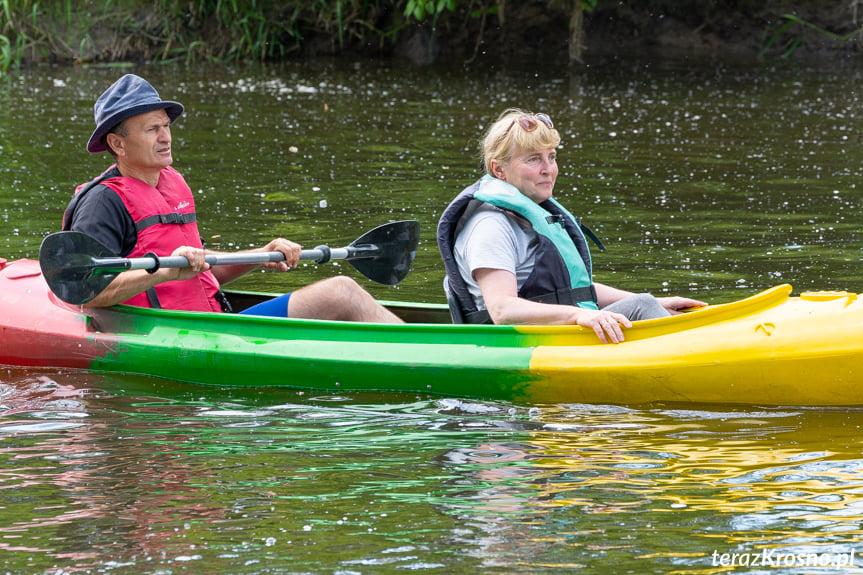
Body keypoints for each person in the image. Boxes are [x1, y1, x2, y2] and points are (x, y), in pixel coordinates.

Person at [63, 74, 402, 323]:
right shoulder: (103, 203)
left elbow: (198, 271)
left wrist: (258, 256)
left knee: (341, 293)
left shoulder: (172, 183)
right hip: (172, 333)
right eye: (152, 130)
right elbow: (89, 290)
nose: (165, 137)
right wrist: (165, 272)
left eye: (166, 126)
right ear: (118, 144)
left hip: (212, 322)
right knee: (340, 291)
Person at [437, 108, 706, 343]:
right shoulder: (490, 226)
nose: (548, 169)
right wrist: (579, 314)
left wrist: (656, 301)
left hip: (554, 335)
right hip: (515, 344)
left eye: (551, 157)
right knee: (643, 307)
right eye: (533, 159)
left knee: (644, 303)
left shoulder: (529, 215)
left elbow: (571, 290)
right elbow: (502, 310)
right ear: (499, 170)